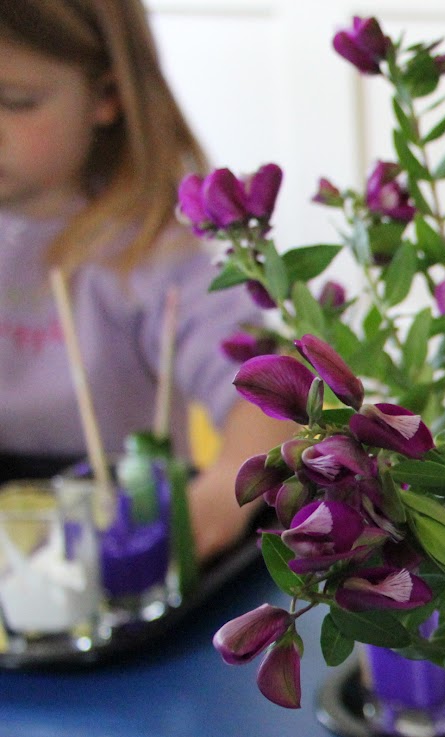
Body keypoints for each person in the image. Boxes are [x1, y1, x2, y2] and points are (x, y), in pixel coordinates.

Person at [0, 0, 284, 559]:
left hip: (113, 546)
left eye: (15, 102)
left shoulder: (151, 257)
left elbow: (271, 393)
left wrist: (219, 498)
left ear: (106, 96)